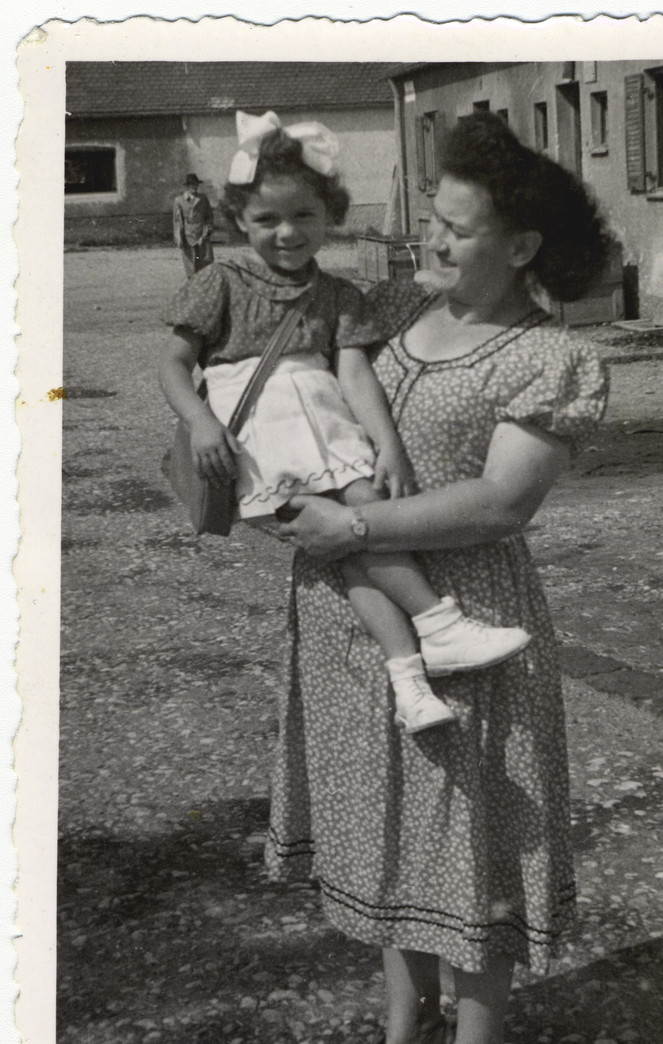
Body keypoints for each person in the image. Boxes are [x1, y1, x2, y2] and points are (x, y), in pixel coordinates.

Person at [264, 111, 611, 1044]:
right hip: (345, 619)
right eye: (433, 226)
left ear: (521, 247)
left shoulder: (550, 357)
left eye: (458, 229)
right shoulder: (385, 308)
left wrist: (352, 521)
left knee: (469, 841)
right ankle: (405, 1040)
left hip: (470, 628)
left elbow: (502, 504)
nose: (433, 245)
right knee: (378, 827)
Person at [160, 112, 531, 736]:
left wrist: (388, 447)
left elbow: (354, 377)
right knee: (357, 534)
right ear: (239, 223)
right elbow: (172, 363)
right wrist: (199, 421)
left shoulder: (338, 295)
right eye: (266, 220)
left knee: (360, 537)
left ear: (329, 215)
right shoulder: (218, 282)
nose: (287, 233)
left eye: (304, 216)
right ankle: (439, 624)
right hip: (260, 443)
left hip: (326, 430)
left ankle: (411, 680)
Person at [172, 173, 215, 278]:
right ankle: (193, 285)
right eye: (191, 185)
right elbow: (177, 221)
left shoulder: (203, 199)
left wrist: (208, 229)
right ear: (186, 187)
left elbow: (209, 216)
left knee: (205, 263)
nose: (194, 187)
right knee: (191, 265)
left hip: (202, 235)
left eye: (196, 185)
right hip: (188, 237)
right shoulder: (179, 201)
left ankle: (205, 288)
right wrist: (178, 237)